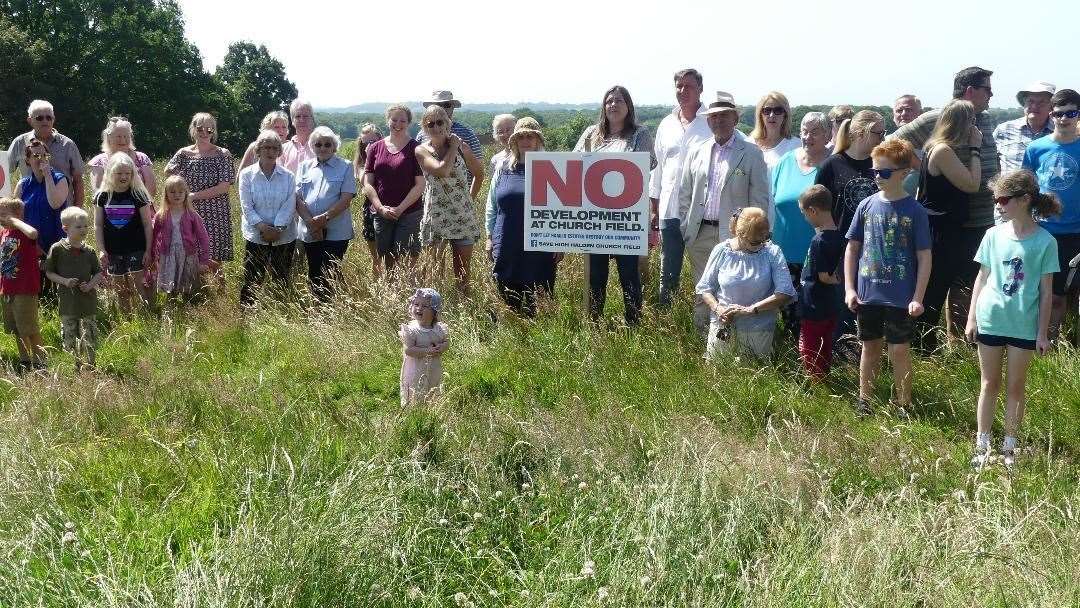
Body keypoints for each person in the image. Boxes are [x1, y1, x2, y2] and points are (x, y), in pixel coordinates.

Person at [892, 66, 1000, 338]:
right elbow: (894, 142)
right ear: (970, 91)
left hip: (981, 219)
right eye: (987, 89)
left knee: (966, 288)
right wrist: (926, 168)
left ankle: (958, 348)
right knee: (934, 288)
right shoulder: (939, 118)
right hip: (948, 221)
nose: (991, 95)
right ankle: (922, 349)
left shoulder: (983, 119)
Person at [965, 170, 1060, 469]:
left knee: (1016, 386)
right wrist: (972, 318)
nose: (999, 206)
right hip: (990, 318)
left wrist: (1042, 334)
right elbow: (982, 278)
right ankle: (982, 446)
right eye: (996, 200)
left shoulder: (1046, 241)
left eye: (1004, 200)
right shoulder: (992, 235)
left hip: (1023, 325)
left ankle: (1009, 448)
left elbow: (1047, 293)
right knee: (988, 383)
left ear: (1024, 200)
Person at [844, 139, 932, 416]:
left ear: (904, 172)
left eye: (884, 172)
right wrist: (849, 288)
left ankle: (904, 403)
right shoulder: (866, 205)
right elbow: (852, 248)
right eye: (874, 172)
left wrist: (918, 297)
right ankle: (864, 400)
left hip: (901, 297)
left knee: (899, 351)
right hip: (868, 293)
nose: (877, 177)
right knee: (869, 347)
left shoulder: (915, 210)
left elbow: (924, 256)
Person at [679, 91, 770, 333]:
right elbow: (684, 193)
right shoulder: (697, 151)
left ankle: (731, 342)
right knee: (703, 289)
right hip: (699, 233)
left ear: (735, 119)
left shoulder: (751, 153)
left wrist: (752, 233)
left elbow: (760, 200)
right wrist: (685, 227)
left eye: (724, 116)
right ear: (708, 121)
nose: (718, 121)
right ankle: (702, 340)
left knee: (731, 289)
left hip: (733, 236)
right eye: (713, 116)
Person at [573, 85, 656, 325]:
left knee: (629, 274)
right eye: (609, 101)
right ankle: (595, 322)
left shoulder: (640, 134)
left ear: (628, 106)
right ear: (603, 106)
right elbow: (575, 161)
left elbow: (646, 164)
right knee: (596, 275)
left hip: (626, 217)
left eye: (619, 100)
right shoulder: (591, 133)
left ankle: (633, 323)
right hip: (595, 216)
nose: (613, 105)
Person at [914, 100, 983, 350]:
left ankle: (924, 344)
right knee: (935, 290)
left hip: (937, 227)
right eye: (972, 122)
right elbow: (972, 184)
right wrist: (975, 149)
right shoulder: (942, 151)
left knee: (934, 287)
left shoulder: (933, 147)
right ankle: (924, 346)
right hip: (941, 231)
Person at [695, 207, 795, 359]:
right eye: (755, 242)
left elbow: (785, 292)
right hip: (723, 325)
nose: (761, 244)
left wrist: (751, 310)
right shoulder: (722, 250)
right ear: (740, 234)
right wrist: (718, 309)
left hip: (759, 329)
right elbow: (705, 288)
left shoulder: (772, 252)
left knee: (753, 376)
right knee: (717, 375)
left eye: (765, 238)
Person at [652, 69, 715, 308]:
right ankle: (668, 319)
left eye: (688, 86)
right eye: (679, 86)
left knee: (706, 270)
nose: (683, 91)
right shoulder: (666, 125)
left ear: (700, 88)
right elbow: (657, 170)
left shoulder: (710, 122)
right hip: (670, 209)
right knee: (668, 270)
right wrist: (655, 206)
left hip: (703, 210)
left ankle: (708, 318)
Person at [1022, 88, 1080, 342]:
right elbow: (1026, 188)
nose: (1064, 118)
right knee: (1053, 296)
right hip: (1047, 231)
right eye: (1058, 113)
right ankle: (1049, 346)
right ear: (1051, 114)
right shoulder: (1036, 148)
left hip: (1077, 231)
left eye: (1071, 113)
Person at [489, 117, 559, 316]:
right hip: (507, 242)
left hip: (541, 245)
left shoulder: (552, 168)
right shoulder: (502, 169)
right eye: (521, 136)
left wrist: (559, 242)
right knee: (509, 300)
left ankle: (540, 340)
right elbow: (492, 206)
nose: (526, 140)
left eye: (531, 136)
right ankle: (513, 337)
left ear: (538, 141)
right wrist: (489, 237)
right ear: (514, 141)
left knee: (541, 301)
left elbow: (561, 209)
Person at [771, 112, 829, 336]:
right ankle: (790, 360)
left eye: (815, 131)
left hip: (817, 254)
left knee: (813, 313)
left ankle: (814, 360)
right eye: (804, 130)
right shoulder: (785, 162)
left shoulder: (832, 165)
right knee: (787, 313)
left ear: (827, 135)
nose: (807, 136)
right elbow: (771, 202)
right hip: (783, 252)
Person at [415, 105, 484, 295]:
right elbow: (442, 170)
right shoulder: (422, 151)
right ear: (424, 127)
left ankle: (464, 309)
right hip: (436, 216)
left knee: (462, 273)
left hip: (463, 215)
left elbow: (479, 174)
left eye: (440, 122)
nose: (436, 127)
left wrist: (469, 199)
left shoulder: (464, 148)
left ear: (448, 123)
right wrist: (453, 146)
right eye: (430, 124)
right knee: (433, 273)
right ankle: (436, 312)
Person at [164, 113, 237, 264]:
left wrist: (193, 195)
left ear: (214, 131)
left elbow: (224, 187)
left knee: (215, 261)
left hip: (216, 214)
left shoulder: (222, 154)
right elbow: (168, 171)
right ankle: (195, 287)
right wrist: (181, 189)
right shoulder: (184, 153)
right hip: (189, 211)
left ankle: (218, 288)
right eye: (200, 128)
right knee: (191, 256)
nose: (204, 132)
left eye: (209, 129)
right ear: (193, 130)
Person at [295, 126, 356, 303]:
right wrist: (311, 222)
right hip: (310, 229)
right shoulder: (304, 167)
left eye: (327, 144)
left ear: (334, 147)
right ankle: (317, 309)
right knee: (314, 270)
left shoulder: (345, 166)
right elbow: (297, 198)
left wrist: (324, 219)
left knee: (330, 270)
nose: (322, 148)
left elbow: (346, 199)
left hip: (336, 231)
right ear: (312, 146)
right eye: (318, 144)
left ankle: (332, 309)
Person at [364, 105, 426, 278]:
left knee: (406, 257)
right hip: (381, 212)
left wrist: (400, 209)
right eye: (394, 120)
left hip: (409, 213)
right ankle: (391, 295)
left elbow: (420, 185)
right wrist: (380, 208)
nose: (398, 124)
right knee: (386, 257)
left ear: (409, 123)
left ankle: (408, 295)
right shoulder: (376, 148)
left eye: (403, 120)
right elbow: (368, 183)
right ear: (387, 120)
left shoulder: (416, 148)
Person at [238, 131, 297, 306]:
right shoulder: (247, 175)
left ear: (279, 151)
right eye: (266, 147)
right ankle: (247, 315)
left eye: (274, 148)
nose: (270, 152)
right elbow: (246, 206)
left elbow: (290, 204)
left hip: (284, 236)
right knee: (252, 277)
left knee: (282, 276)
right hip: (256, 235)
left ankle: (281, 311)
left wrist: (277, 229)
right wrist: (264, 228)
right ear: (258, 150)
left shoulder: (288, 176)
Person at [44, 207, 104, 370]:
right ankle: (75, 365)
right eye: (78, 227)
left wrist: (90, 285)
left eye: (85, 226)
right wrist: (64, 281)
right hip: (68, 303)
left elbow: (99, 273)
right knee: (70, 336)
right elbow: (49, 272)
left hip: (87, 302)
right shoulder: (57, 249)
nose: (83, 229)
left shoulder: (89, 251)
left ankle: (91, 365)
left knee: (89, 334)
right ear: (66, 228)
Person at [95, 153, 155, 312]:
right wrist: (101, 250)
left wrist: (148, 250)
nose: (124, 176)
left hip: (136, 248)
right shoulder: (102, 196)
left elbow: (147, 224)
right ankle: (126, 319)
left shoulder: (139, 195)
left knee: (138, 287)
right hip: (112, 250)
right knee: (120, 290)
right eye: (119, 173)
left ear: (133, 174)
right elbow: (98, 225)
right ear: (110, 174)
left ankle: (144, 318)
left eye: (127, 173)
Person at [797, 185, 845, 379]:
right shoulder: (841, 237)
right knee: (826, 341)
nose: (805, 218)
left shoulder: (819, 241)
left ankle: (814, 378)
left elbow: (824, 276)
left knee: (809, 343)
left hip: (814, 303)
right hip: (831, 303)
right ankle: (824, 374)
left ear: (813, 211)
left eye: (804, 213)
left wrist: (835, 279)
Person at [815, 110, 884, 235]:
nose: (882, 138)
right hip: (838, 246)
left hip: (873, 245)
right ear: (861, 133)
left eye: (883, 133)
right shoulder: (831, 165)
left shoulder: (882, 164)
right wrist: (826, 240)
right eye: (879, 134)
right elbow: (816, 208)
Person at [6, 100, 84, 208]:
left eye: (49, 117)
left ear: (53, 119)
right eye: (39, 118)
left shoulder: (68, 145)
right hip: (30, 210)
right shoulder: (19, 143)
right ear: (30, 120)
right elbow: (5, 171)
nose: (45, 121)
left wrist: (77, 210)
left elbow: (78, 180)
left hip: (62, 211)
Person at [0, 197, 45, 371]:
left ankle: (41, 361)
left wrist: (15, 221)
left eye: (4, 214)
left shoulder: (25, 234)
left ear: (17, 216)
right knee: (17, 329)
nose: (1, 218)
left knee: (30, 328)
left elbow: (33, 233)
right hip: (7, 289)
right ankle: (25, 359)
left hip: (25, 289)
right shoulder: (4, 233)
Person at [151, 175, 213, 299]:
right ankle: (172, 307)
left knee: (188, 287)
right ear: (166, 194)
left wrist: (204, 260)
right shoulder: (161, 215)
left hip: (188, 255)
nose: (177, 195)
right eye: (172, 192)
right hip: (168, 255)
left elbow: (203, 238)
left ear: (186, 193)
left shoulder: (192, 215)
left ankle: (188, 308)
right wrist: (153, 256)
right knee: (170, 286)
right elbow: (154, 236)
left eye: (180, 191)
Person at [14, 139, 69, 273]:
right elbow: (17, 218)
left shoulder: (60, 179)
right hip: (31, 246)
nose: (42, 159)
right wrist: (32, 242)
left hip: (57, 245)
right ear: (27, 160)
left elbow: (55, 204)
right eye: (36, 156)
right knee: (35, 290)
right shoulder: (22, 185)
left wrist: (48, 175)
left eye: (45, 155)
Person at [399, 288, 449, 406]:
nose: (419, 308)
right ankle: (414, 409)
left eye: (425, 306)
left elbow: (446, 342)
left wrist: (442, 347)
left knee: (433, 385)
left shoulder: (439, 329)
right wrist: (427, 351)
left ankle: (432, 406)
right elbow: (409, 350)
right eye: (416, 304)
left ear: (434, 311)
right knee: (415, 388)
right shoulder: (412, 330)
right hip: (415, 369)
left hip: (434, 367)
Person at [994, 82, 1056, 173]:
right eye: (1030, 101)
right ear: (1024, 103)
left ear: (1051, 107)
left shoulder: (1059, 132)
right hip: (1008, 186)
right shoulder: (1004, 130)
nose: (1034, 106)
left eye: (1041, 103)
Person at [87, 117, 157, 197]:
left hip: (142, 206)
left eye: (126, 136)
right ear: (109, 138)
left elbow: (151, 188)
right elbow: (97, 190)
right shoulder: (98, 161)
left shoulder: (142, 158)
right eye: (119, 137)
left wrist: (139, 204)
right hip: (110, 207)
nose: (123, 140)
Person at [352, 123, 384, 278]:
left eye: (372, 142)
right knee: (376, 257)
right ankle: (378, 283)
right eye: (365, 143)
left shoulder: (389, 158)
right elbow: (365, 182)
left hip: (390, 206)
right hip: (370, 209)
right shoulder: (360, 164)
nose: (368, 146)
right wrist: (369, 156)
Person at [414, 90, 483, 160]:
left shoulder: (467, 134)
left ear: (453, 107)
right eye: (438, 105)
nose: (442, 109)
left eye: (447, 105)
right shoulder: (421, 135)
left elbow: (479, 168)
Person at [749, 91, 801, 176]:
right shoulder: (748, 144)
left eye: (778, 110)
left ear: (785, 114)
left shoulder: (796, 146)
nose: (772, 115)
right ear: (760, 114)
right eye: (767, 110)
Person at [281, 99, 315, 173]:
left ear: (312, 119)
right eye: (298, 116)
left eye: (305, 116)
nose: (302, 120)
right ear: (293, 121)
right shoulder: (284, 149)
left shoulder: (321, 147)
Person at [489, 114, 517, 178]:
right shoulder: (495, 160)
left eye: (508, 130)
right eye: (500, 132)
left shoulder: (527, 156)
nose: (505, 134)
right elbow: (494, 186)